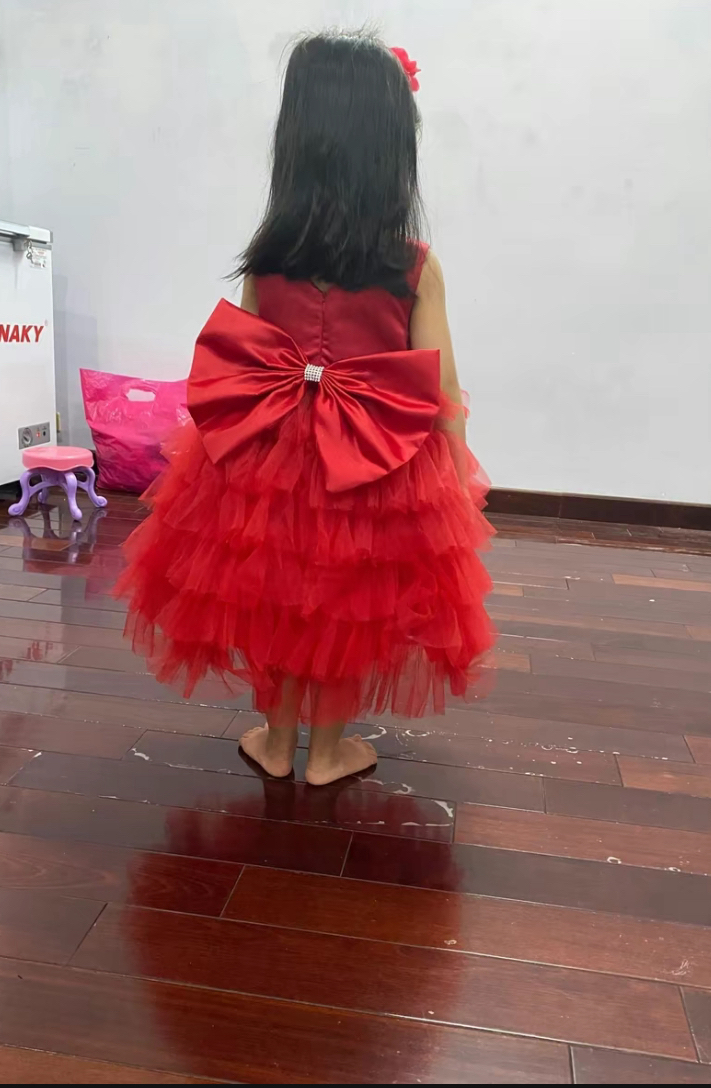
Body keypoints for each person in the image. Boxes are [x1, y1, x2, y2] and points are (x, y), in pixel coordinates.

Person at [116, 31, 495, 786]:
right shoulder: (414, 267)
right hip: (375, 463)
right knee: (348, 602)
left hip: (269, 460)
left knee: (277, 594)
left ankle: (276, 740)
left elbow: (245, 362)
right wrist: (454, 477)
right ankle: (327, 752)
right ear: (391, 152)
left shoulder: (268, 257)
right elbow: (442, 392)